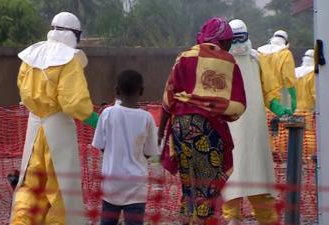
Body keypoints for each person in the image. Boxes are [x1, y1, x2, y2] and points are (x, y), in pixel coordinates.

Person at [10, 12, 99, 225]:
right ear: (75, 34)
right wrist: (97, 121)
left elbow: (23, 92)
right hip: (58, 130)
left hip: (35, 128)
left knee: (31, 185)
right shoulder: (68, 60)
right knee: (60, 189)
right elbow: (74, 103)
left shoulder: (32, 57)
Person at [158, 17, 247, 225]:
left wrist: (162, 130)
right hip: (208, 128)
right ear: (222, 40)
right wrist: (219, 110)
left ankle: (188, 218)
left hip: (180, 127)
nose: (229, 46)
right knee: (208, 184)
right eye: (229, 41)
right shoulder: (228, 62)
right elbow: (238, 105)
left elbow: (168, 95)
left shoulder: (184, 56)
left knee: (188, 182)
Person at [221, 19, 278, 225]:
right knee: (232, 179)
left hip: (255, 131)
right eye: (234, 39)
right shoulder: (221, 60)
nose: (238, 44)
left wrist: (277, 105)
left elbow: (270, 88)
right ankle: (232, 219)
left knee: (258, 175)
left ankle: (266, 219)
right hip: (230, 128)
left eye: (241, 39)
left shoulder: (257, 59)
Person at [92, 70, 160, 225]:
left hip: (111, 184)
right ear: (141, 91)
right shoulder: (147, 118)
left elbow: (101, 146)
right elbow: (149, 152)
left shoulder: (107, 114)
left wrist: (114, 153)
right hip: (136, 186)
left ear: (116, 91)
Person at [257, 30, 297, 116]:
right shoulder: (285, 54)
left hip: (262, 97)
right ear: (285, 41)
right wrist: (293, 98)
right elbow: (288, 77)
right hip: (279, 98)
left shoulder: (259, 53)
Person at [295, 49, 316, 156]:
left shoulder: (294, 71)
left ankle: (292, 156)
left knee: (292, 134)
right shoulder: (312, 73)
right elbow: (315, 93)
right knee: (308, 134)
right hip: (306, 110)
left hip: (292, 110)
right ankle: (307, 156)